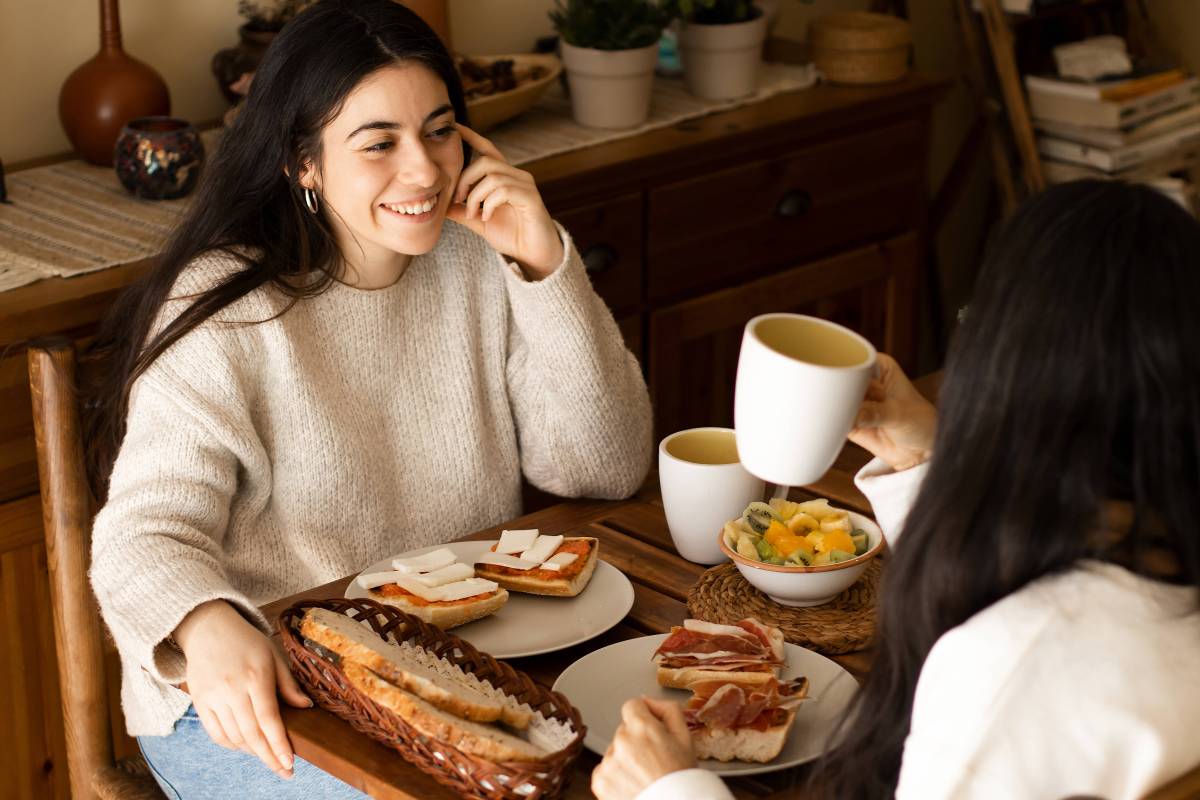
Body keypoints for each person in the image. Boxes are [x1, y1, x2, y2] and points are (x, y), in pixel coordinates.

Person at [84, 1, 652, 796]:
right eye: (379, 143)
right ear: (303, 163)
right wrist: (203, 623)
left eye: (440, 130)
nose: (423, 170)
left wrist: (541, 260)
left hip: (451, 672)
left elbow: (605, 468)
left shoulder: (477, 257)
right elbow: (141, 534)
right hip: (259, 703)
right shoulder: (226, 307)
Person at [593, 180, 1200, 800]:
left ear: (1007, 379)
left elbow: (1017, 640)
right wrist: (925, 459)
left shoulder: (1010, 669)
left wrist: (669, 789)